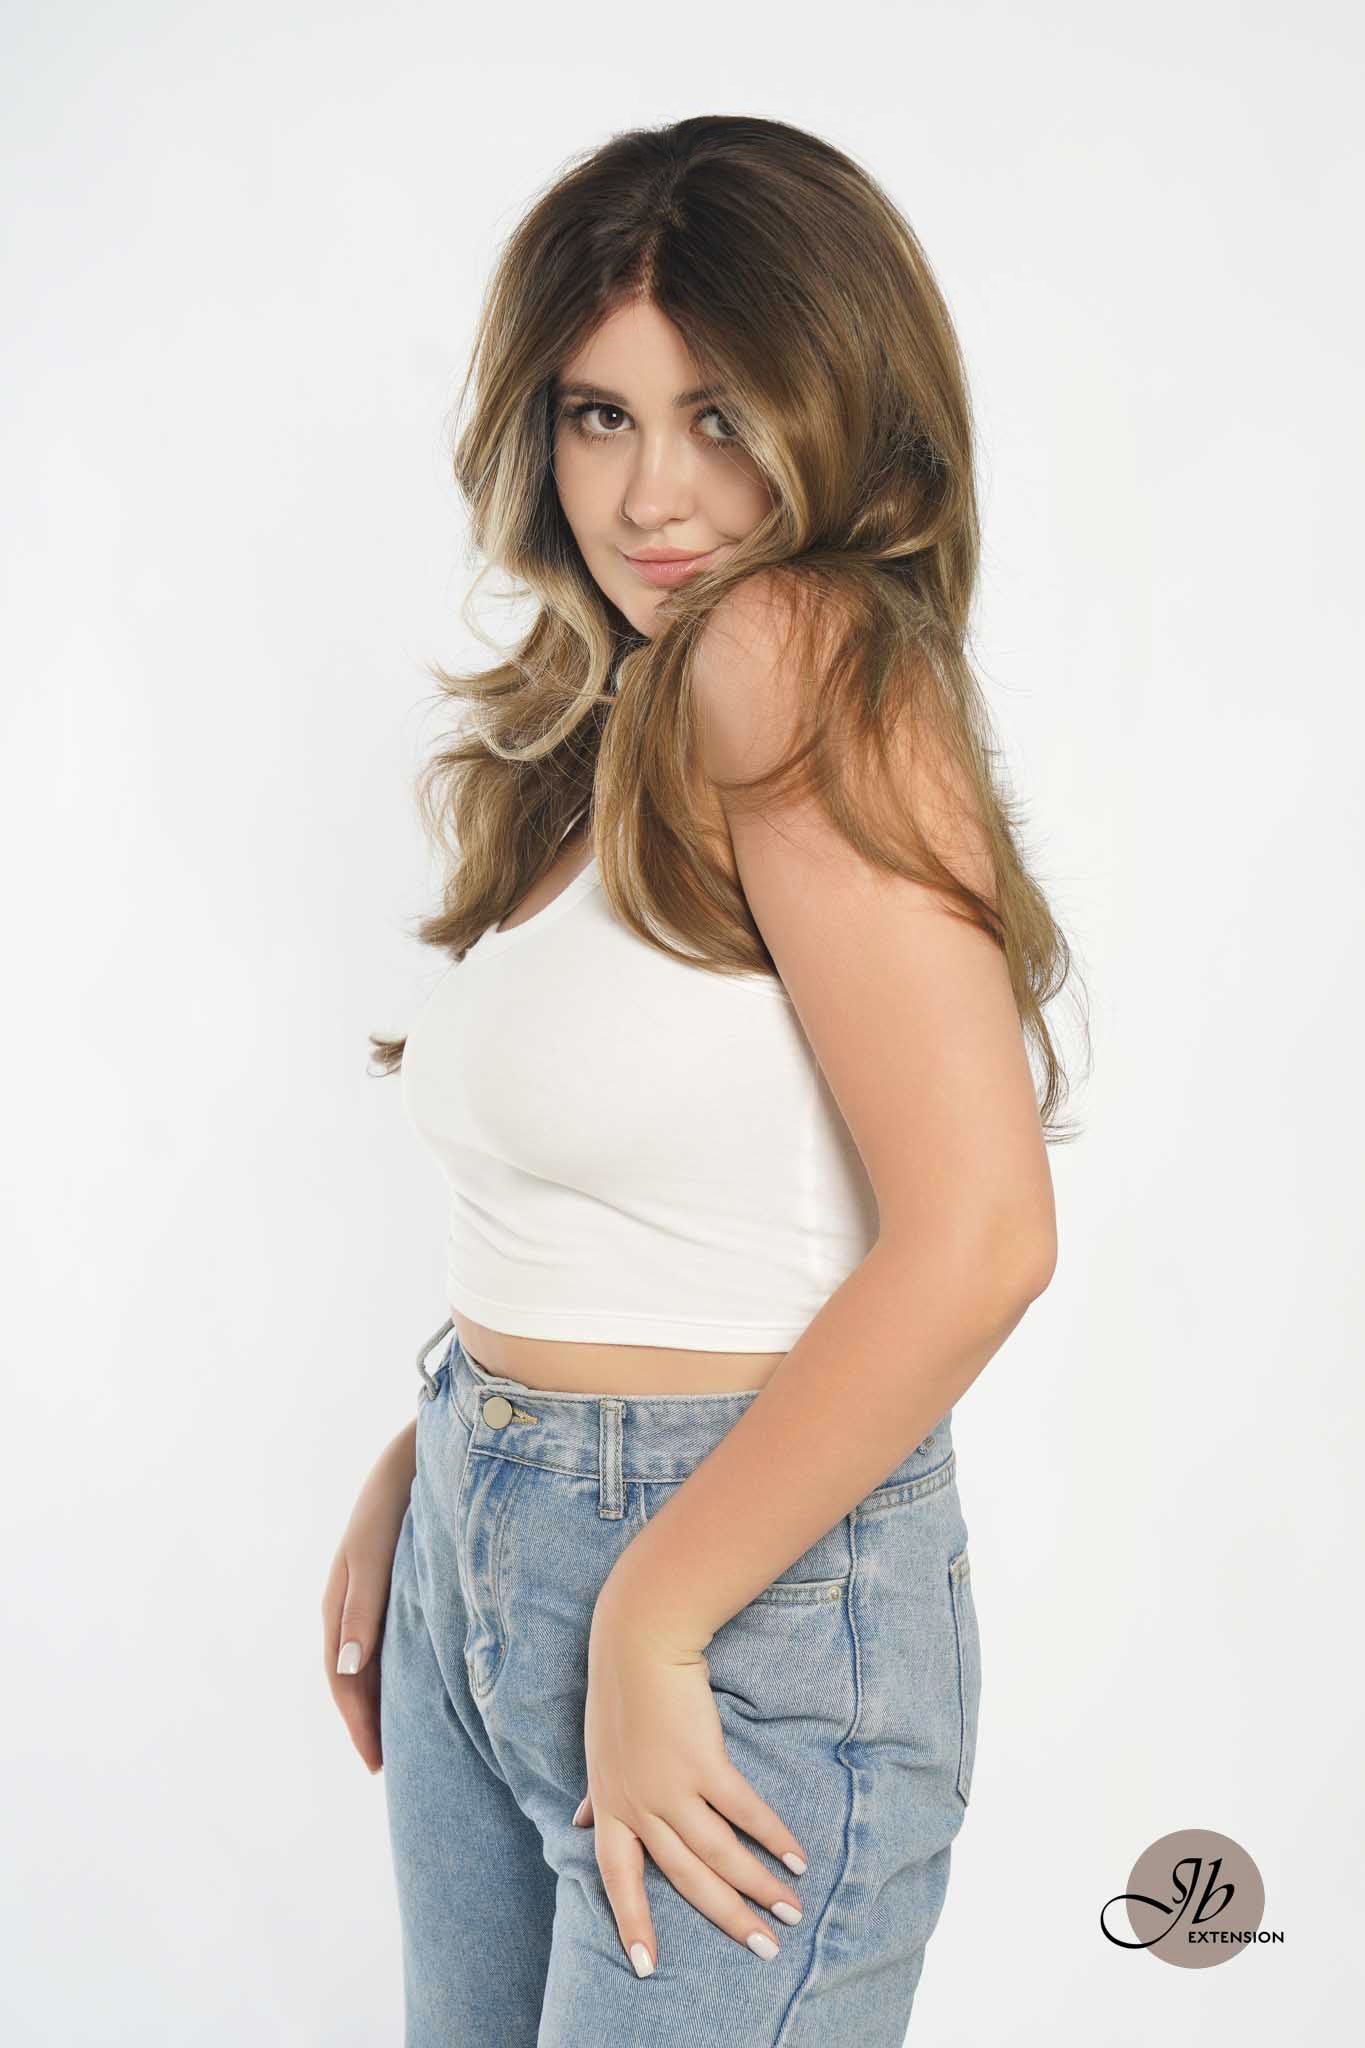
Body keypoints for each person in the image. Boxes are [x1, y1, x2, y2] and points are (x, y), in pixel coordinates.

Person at [322, 113, 1082, 2046]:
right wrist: (451, 1452)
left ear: (842, 414)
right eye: (599, 415)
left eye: (720, 417)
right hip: (498, 1553)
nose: (651, 494)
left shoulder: (790, 648)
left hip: (731, 1605)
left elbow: (982, 1235)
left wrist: (650, 1607)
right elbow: (657, 1194)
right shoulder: (614, 716)